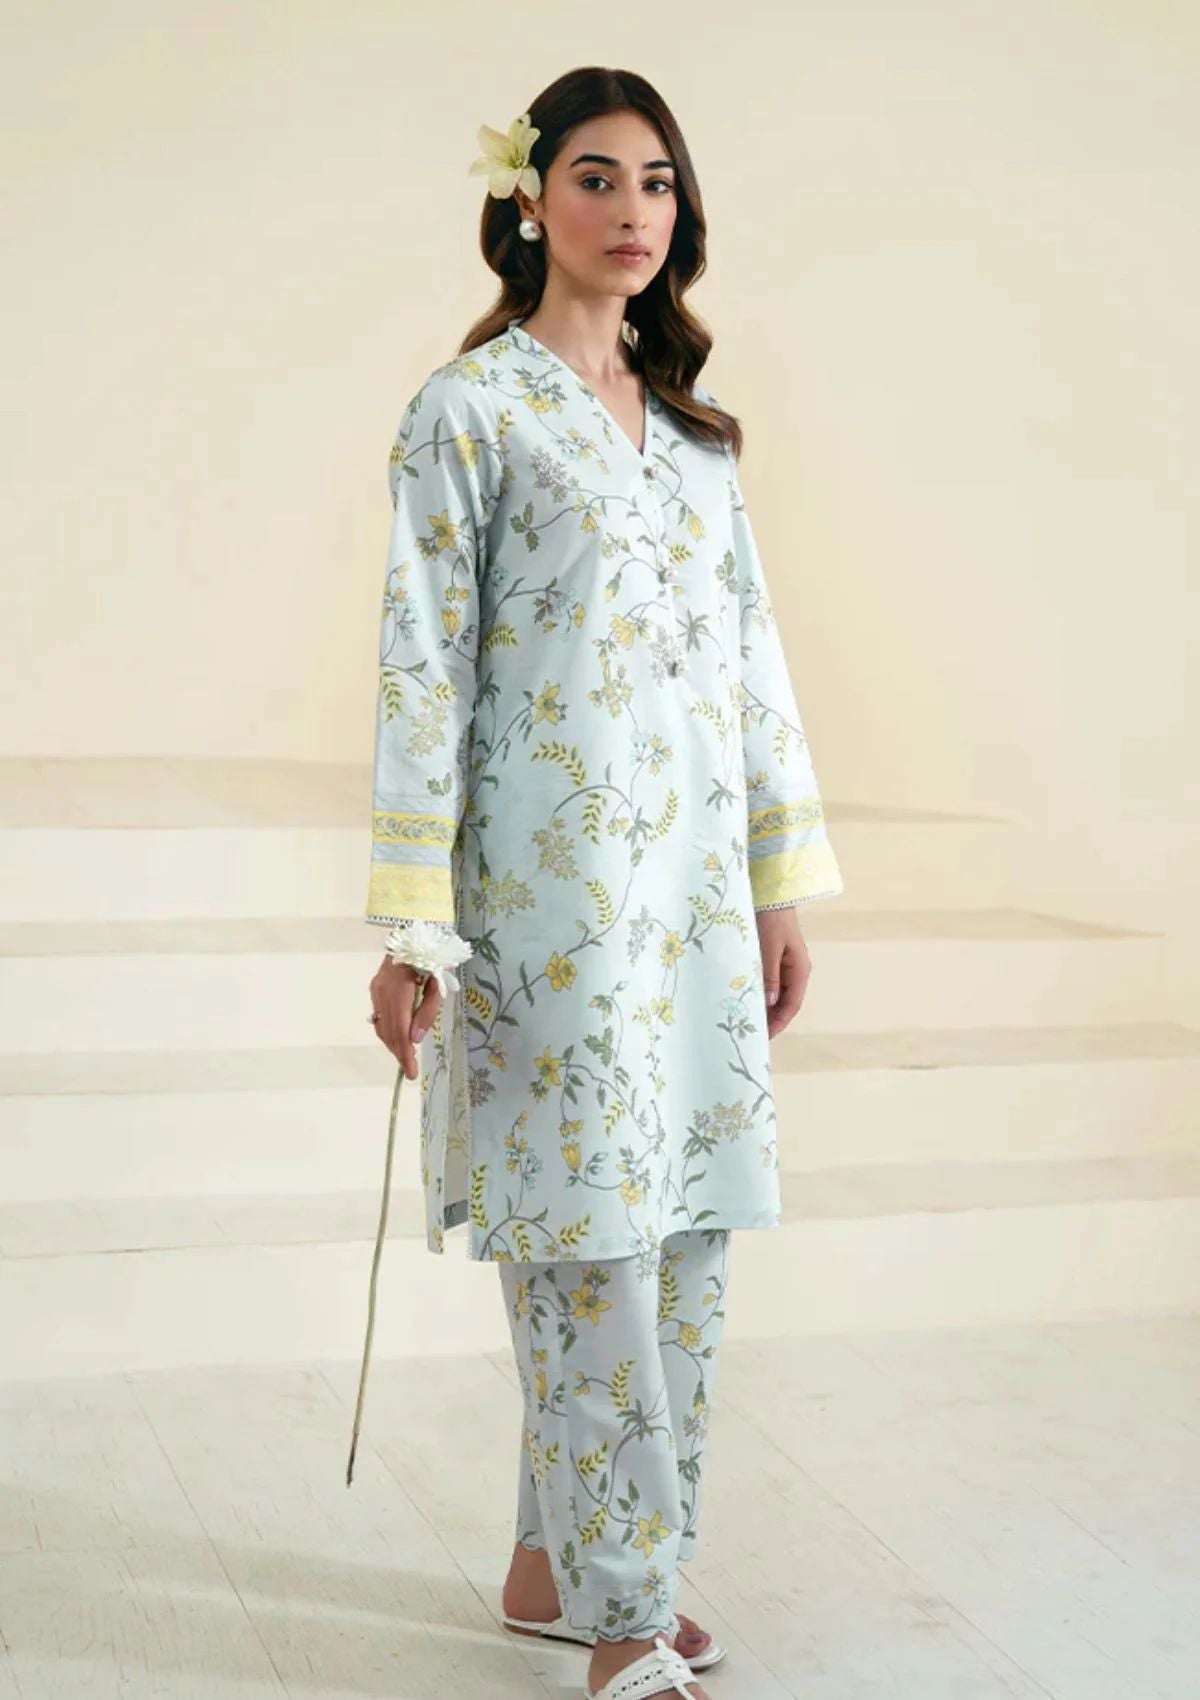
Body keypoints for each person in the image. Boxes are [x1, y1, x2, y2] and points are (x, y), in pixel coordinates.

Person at [351, 65, 844, 1700]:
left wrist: (777, 887)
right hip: (540, 911)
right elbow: (423, 674)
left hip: (691, 905)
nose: (633, 210)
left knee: (684, 1230)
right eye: (596, 177)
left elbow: (753, 668)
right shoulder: (468, 413)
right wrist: (415, 925)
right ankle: (628, 1606)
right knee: (586, 1240)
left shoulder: (697, 439)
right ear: (529, 199)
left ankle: (553, 1564)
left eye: (657, 183)